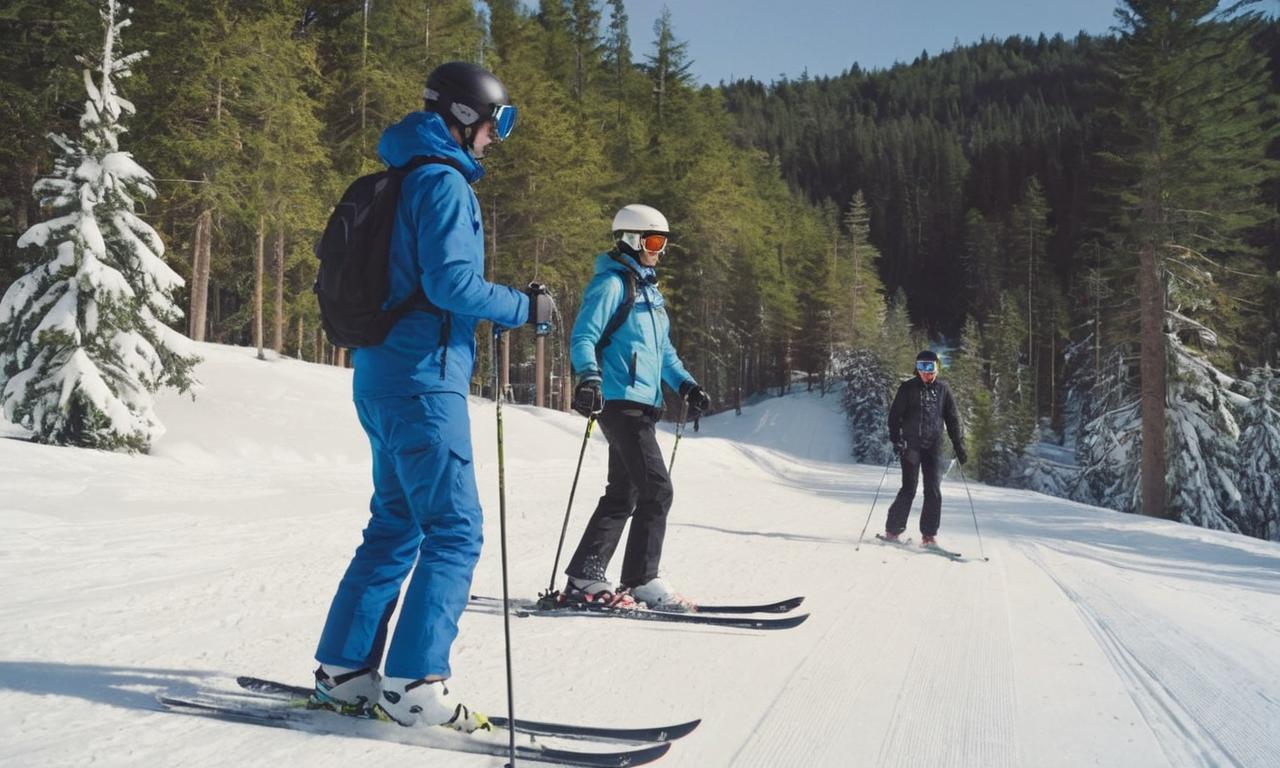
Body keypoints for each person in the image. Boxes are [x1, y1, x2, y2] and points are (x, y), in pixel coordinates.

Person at [310, 62, 551, 733]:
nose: (496, 139)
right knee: (454, 528)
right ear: (463, 118)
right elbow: (451, 286)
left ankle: (345, 672)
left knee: (394, 526)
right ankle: (415, 685)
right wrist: (523, 307)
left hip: (380, 376)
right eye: (496, 123)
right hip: (423, 380)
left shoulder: (400, 177)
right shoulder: (442, 184)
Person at [560, 204, 710, 612]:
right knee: (657, 489)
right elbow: (583, 337)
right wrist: (589, 377)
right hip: (619, 400)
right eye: (654, 242)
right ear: (631, 240)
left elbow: (664, 354)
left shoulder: (650, 293)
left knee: (623, 493)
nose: (660, 251)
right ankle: (642, 579)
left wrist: (687, 385)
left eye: (664, 243)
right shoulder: (611, 285)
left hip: (644, 403)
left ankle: (584, 577)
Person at [882, 350, 966, 547]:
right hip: (911, 445)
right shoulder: (907, 388)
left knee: (933, 490)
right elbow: (894, 417)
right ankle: (892, 531)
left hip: (933, 446)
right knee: (909, 488)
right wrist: (896, 439)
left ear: (937, 368)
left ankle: (928, 536)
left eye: (930, 367)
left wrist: (959, 445)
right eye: (922, 367)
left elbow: (953, 419)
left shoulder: (944, 389)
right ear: (916, 368)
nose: (926, 372)